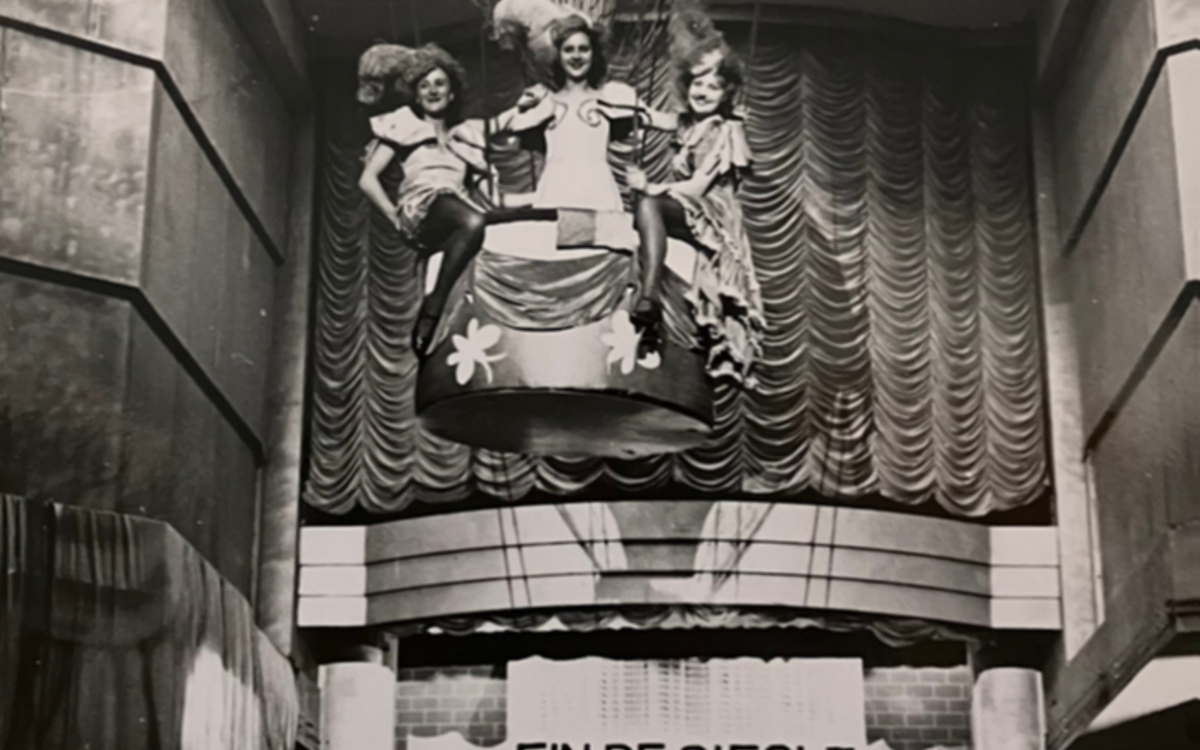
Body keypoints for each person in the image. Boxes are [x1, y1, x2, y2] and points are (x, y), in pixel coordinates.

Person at [624, 40, 764, 385]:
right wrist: (618, 100)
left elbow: (699, 187)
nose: (703, 91)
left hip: (713, 215)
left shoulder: (724, 129)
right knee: (640, 215)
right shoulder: (689, 125)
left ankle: (649, 297)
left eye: (713, 86)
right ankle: (650, 306)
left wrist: (648, 186)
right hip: (691, 210)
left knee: (647, 204)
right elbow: (652, 116)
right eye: (698, 83)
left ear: (726, 93)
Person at [357, 43, 495, 358]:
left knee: (497, 222)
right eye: (425, 85)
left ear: (451, 94)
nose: (432, 90)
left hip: (456, 211)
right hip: (421, 208)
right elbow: (367, 179)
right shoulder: (405, 125)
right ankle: (432, 309)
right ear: (417, 95)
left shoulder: (464, 137)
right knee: (472, 220)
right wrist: (394, 216)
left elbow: (482, 197)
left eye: (439, 84)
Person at [499, 12, 674, 212]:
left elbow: (666, 122)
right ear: (559, 55)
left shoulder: (612, 96)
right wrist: (520, 109)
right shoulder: (545, 100)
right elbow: (499, 128)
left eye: (583, 49)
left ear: (593, 54)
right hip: (555, 190)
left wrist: (708, 118)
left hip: (598, 191)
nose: (576, 56)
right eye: (568, 50)